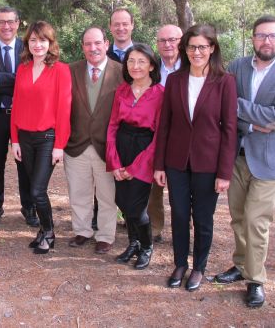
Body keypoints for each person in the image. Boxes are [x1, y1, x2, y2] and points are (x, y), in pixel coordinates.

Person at [214, 15, 275, 308]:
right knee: (239, 217)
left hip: (270, 161)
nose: (267, 41)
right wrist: (254, 122)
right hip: (237, 157)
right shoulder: (237, 67)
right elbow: (222, 107)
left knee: (256, 220)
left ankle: (255, 280)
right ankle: (241, 265)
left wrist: (239, 109)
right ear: (252, 38)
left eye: (273, 36)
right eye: (261, 35)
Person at [153, 24, 237, 291]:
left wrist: (224, 172)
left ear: (212, 48)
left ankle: (199, 267)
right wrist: (159, 165)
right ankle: (180, 263)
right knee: (179, 215)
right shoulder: (175, 80)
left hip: (208, 163)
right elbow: (164, 125)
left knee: (202, 218)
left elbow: (230, 129)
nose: (196, 52)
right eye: (191, 47)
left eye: (202, 47)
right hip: (176, 161)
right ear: (185, 49)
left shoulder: (225, 81)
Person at [11, 21, 72, 254]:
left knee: (37, 190)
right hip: (24, 138)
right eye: (33, 40)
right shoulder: (23, 68)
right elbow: (16, 105)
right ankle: (43, 231)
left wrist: (59, 145)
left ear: (50, 43)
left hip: (47, 138)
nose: (38, 45)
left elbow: (64, 110)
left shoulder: (61, 70)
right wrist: (15, 140)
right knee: (31, 189)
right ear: (28, 43)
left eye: (43, 40)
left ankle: (48, 232)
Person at [64, 27, 123, 255]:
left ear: (106, 44)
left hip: (107, 146)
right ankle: (82, 231)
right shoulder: (71, 70)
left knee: (107, 195)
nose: (93, 48)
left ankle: (105, 236)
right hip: (76, 144)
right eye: (88, 44)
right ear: (82, 47)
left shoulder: (121, 71)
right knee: (78, 193)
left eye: (97, 43)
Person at [106, 44, 164, 269]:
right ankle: (134, 243)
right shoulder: (122, 90)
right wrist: (114, 161)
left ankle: (147, 247)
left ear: (151, 66)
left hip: (145, 149)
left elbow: (159, 135)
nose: (135, 66)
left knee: (136, 207)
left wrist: (135, 167)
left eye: (141, 61)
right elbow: (112, 126)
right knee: (122, 201)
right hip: (122, 146)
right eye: (131, 61)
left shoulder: (160, 94)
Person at [0, 7, 35, 227]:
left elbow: (29, 80)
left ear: (18, 23)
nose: (6, 26)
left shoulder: (28, 48)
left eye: (10, 21)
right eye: (1, 22)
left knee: (26, 164)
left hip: (24, 116)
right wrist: (13, 79)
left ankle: (29, 208)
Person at [148, 24, 183, 244]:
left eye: (172, 40)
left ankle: (186, 232)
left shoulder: (192, 67)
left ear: (182, 42)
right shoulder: (151, 68)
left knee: (183, 191)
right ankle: (154, 228)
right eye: (162, 40)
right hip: (154, 136)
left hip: (182, 137)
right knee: (153, 187)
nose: (167, 44)